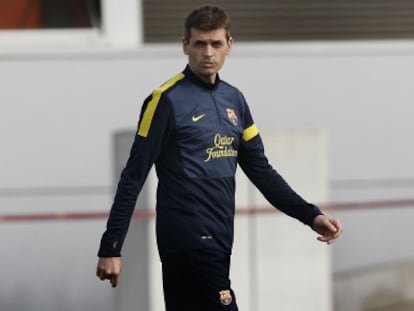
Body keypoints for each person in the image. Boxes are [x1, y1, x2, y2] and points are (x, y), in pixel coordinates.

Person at [96, 4, 343, 311]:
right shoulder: (165, 100)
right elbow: (133, 174)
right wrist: (111, 247)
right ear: (185, 46)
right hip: (188, 238)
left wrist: (311, 215)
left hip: (220, 238)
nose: (208, 52)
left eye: (215, 44)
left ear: (229, 45)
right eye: (200, 44)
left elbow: (261, 171)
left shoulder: (235, 101)